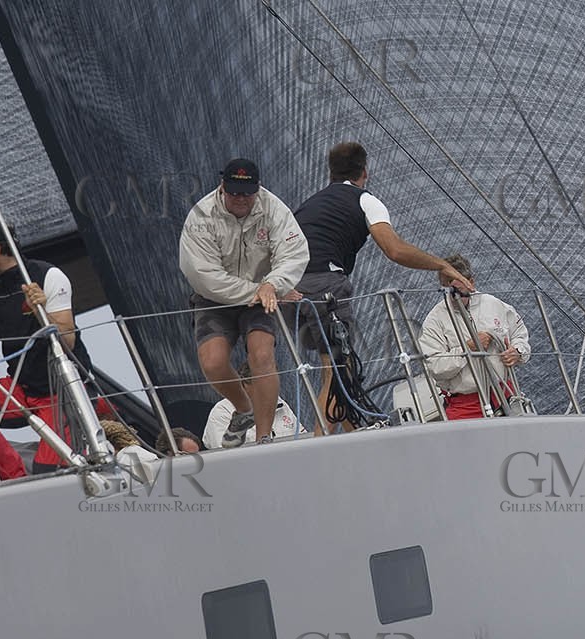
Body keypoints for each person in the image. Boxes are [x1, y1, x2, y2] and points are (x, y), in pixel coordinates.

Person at [291, 143, 472, 428]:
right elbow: (394, 250)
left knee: (343, 366)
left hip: (289, 290)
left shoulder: (309, 204)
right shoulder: (365, 200)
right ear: (365, 171)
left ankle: (354, 435)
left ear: (331, 172)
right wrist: (441, 265)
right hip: (326, 284)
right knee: (337, 371)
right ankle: (320, 446)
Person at [0, 217, 100, 486]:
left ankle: (30, 483)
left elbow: (67, 340)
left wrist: (41, 311)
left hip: (64, 391)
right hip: (21, 388)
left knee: (49, 476)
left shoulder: (48, 276)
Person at [179, 157, 309, 447]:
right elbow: (202, 275)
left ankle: (264, 438)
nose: (240, 198)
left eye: (247, 192)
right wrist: (260, 289)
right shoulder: (201, 216)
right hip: (215, 297)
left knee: (261, 355)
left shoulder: (274, 210)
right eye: (234, 191)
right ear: (222, 186)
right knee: (213, 363)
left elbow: (294, 253)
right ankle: (244, 409)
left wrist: (274, 284)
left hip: (263, 291)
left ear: (257, 188)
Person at [416, 254, 529, 420]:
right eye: (447, 289)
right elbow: (435, 367)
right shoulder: (435, 321)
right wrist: (468, 348)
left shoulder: (495, 305)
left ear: (471, 282)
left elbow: (519, 333)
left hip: (507, 394)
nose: (454, 295)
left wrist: (517, 351)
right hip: (466, 406)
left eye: (458, 289)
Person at [201, 361, 299, 447]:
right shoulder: (223, 411)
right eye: (260, 390)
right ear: (243, 385)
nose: (267, 394)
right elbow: (225, 456)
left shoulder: (280, 404)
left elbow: (302, 438)